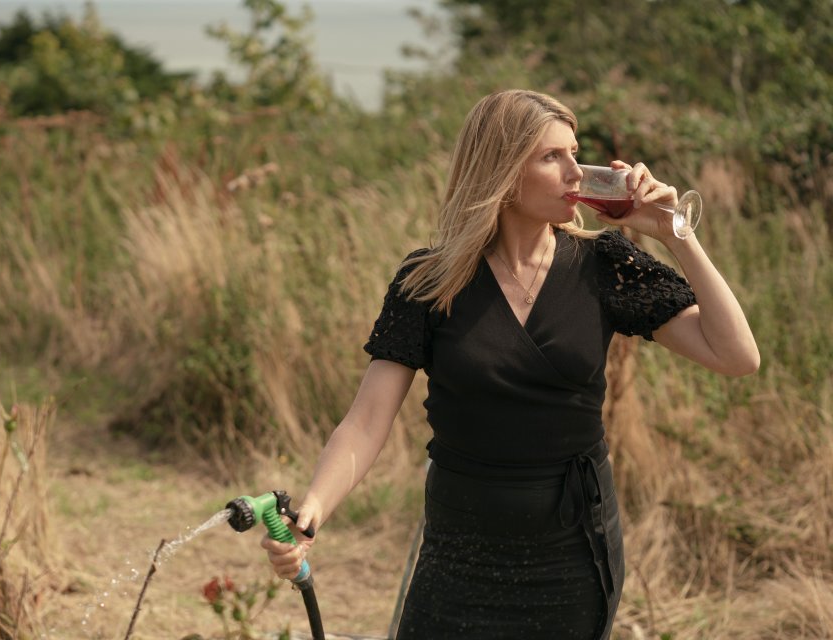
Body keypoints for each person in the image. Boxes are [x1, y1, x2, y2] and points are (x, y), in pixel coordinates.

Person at [261, 89, 759, 639]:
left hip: (571, 553)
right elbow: (367, 420)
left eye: (576, 152)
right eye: (553, 157)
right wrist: (311, 512)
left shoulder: (604, 264)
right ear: (501, 169)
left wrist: (677, 234)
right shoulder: (430, 279)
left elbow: (737, 357)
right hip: (460, 550)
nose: (578, 172)